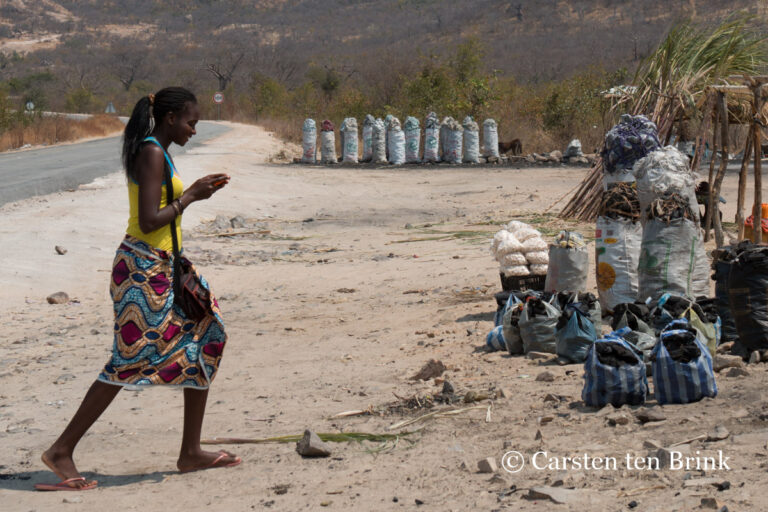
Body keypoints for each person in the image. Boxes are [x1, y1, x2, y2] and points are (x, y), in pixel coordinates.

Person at [35, 87, 238, 491]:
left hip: (161, 266)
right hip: (140, 269)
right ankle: (61, 450)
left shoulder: (159, 152)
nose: (194, 130)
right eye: (190, 122)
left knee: (208, 336)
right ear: (169, 119)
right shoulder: (150, 152)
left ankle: (191, 452)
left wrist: (195, 195)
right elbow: (149, 220)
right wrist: (192, 196)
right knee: (126, 362)